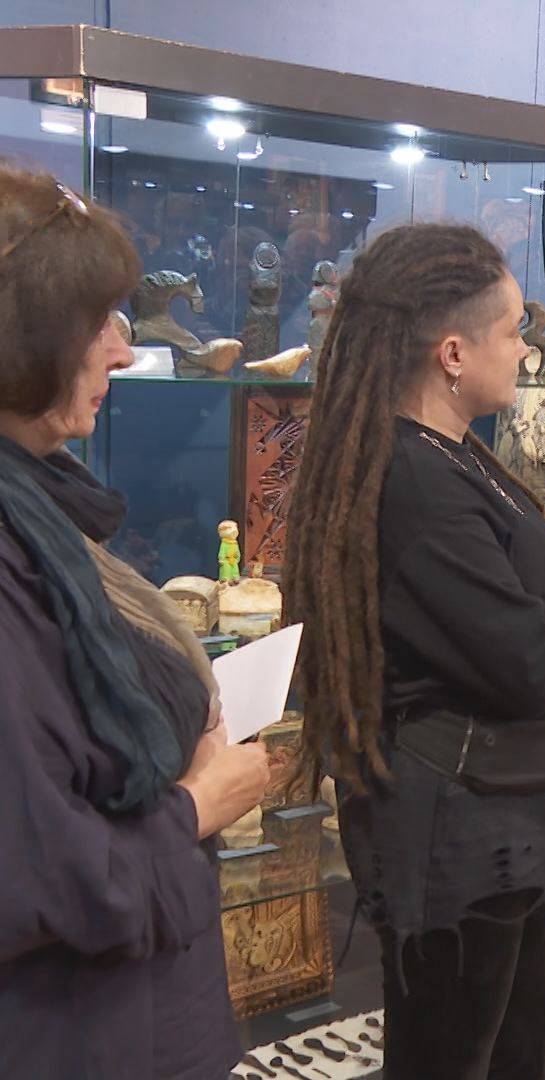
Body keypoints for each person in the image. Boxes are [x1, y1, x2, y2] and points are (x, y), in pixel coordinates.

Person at [282, 223, 545, 1078]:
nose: (524, 350)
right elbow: (534, 664)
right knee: (453, 1056)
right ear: (453, 353)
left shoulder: (450, 459)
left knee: (529, 1039)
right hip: (459, 841)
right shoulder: (417, 482)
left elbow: (530, 623)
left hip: (504, 827)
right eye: (514, 331)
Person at [0, 167, 272, 1080]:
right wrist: (198, 804)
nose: (121, 352)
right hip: (76, 1033)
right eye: (96, 325)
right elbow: (30, 870)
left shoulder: (41, 507)